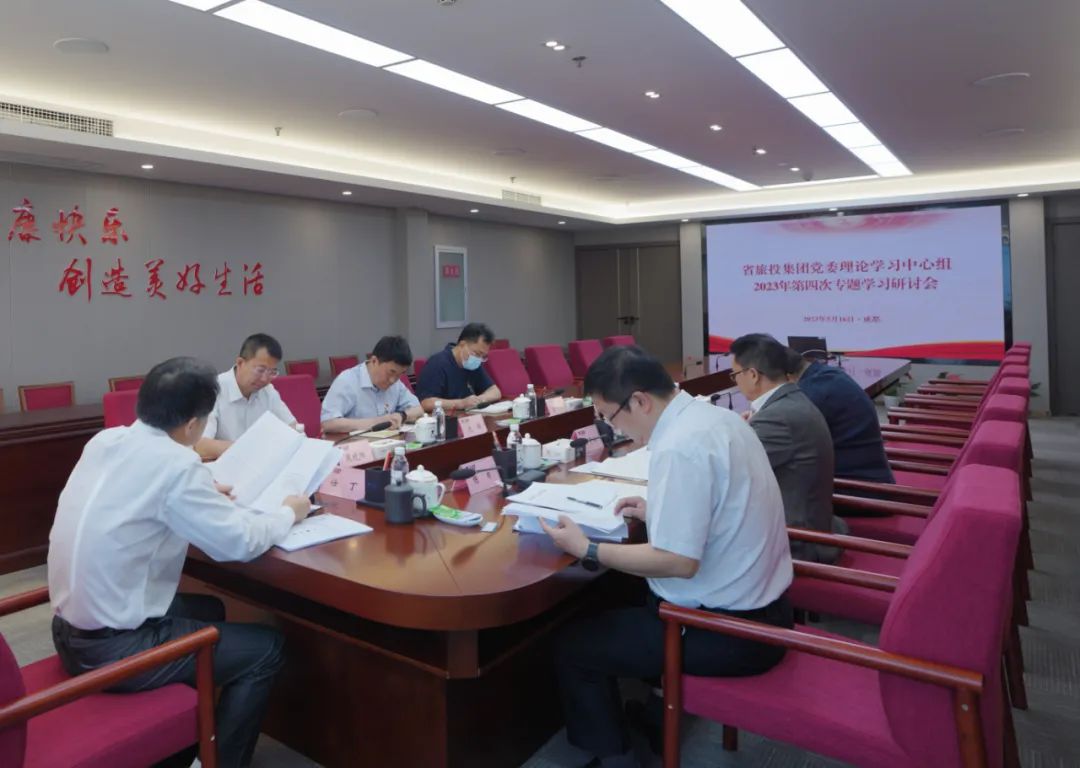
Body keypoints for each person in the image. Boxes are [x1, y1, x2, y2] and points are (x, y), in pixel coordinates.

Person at [48, 357, 310, 768]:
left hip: (67, 630)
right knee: (266, 648)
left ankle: (189, 743)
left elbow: (140, 491)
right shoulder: (176, 465)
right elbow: (240, 542)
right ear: (192, 426)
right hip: (112, 650)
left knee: (210, 610)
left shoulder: (105, 441)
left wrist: (200, 492)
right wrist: (288, 512)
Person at [541, 345, 793, 768]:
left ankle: (617, 759)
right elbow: (721, 505)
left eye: (609, 416)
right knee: (619, 600)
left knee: (574, 645)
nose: (611, 427)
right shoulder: (715, 418)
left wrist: (587, 548)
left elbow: (678, 562)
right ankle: (658, 716)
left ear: (640, 401)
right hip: (767, 608)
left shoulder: (679, 445)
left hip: (729, 631)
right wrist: (657, 508)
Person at [730, 334, 847, 562]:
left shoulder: (777, 418)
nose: (735, 382)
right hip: (812, 525)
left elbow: (728, 470)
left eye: (735, 375)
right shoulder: (792, 400)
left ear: (752, 375)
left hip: (797, 542)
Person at [785, 347, 896, 485]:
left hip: (857, 490)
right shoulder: (827, 375)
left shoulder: (809, 396)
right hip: (874, 477)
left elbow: (783, 455)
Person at [196, 333, 296, 460]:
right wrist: (249, 450)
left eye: (272, 372)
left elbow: (293, 428)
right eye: (260, 370)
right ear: (240, 363)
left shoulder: (268, 390)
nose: (265, 379)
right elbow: (200, 445)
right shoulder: (212, 390)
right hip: (225, 465)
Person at [320, 335, 425, 433]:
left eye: (399, 374)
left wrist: (402, 415)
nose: (393, 380)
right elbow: (328, 423)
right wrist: (378, 421)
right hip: (355, 444)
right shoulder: (348, 380)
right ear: (374, 361)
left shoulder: (396, 383)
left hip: (387, 442)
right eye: (391, 372)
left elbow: (418, 409)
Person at [415, 323, 502, 412]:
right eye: (477, 353)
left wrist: (479, 399)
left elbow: (495, 392)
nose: (479, 359)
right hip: (445, 417)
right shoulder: (437, 364)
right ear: (462, 344)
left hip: (468, 416)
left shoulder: (473, 364)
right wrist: (461, 403)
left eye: (483, 356)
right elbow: (426, 403)